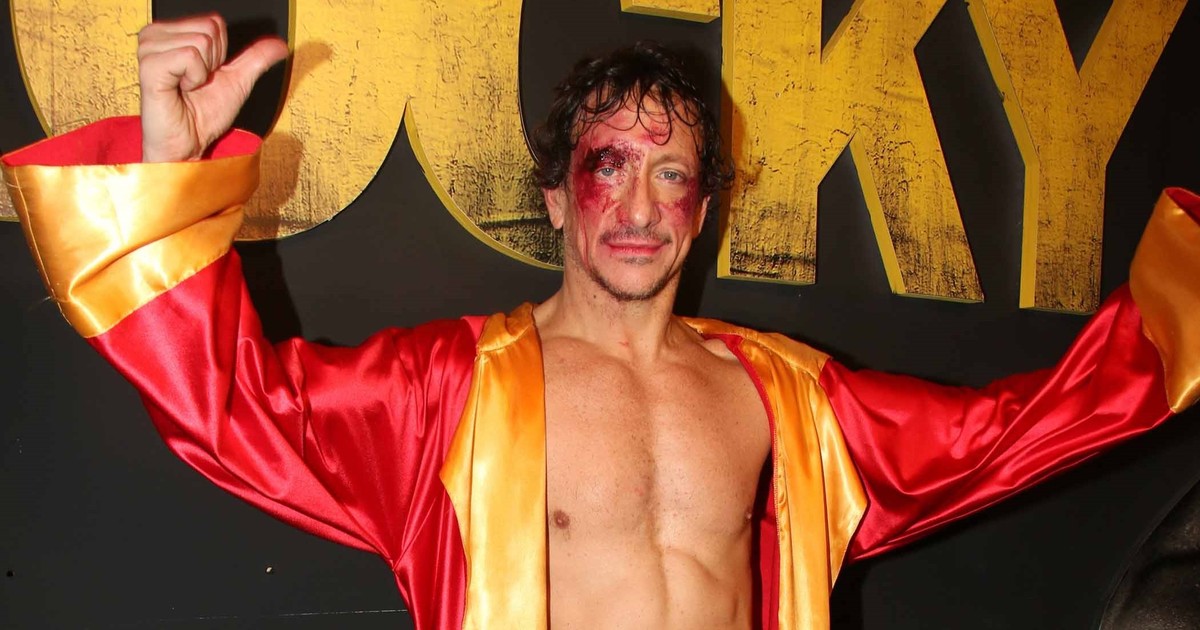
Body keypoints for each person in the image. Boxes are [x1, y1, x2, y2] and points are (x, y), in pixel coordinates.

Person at [2, 13, 1198, 630]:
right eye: (607, 166)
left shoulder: (788, 397)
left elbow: (1019, 429)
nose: (635, 208)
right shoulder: (452, 390)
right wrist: (169, 162)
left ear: (705, 209)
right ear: (554, 197)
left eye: (671, 175)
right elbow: (228, 409)